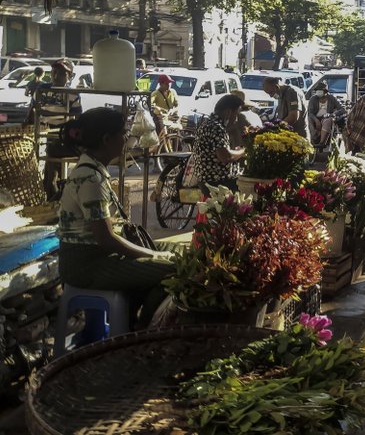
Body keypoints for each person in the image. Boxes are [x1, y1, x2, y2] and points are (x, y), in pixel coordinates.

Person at [57, 108, 175, 328]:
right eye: (123, 134)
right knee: (172, 270)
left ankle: (130, 322)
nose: (126, 139)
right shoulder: (90, 178)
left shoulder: (93, 169)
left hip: (99, 256)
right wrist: (151, 255)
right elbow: (106, 239)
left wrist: (153, 254)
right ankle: (140, 334)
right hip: (87, 265)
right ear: (106, 139)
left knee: (177, 253)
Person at [25, 59, 82, 200]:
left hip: (61, 133)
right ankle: (51, 197)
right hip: (43, 130)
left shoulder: (73, 94)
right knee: (44, 169)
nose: (55, 76)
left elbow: (78, 118)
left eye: (61, 74)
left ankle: (54, 199)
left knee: (53, 170)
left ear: (69, 76)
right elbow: (32, 108)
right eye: (54, 72)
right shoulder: (42, 90)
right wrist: (27, 122)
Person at [192, 94, 246, 192]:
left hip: (207, 181)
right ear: (228, 112)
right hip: (218, 183)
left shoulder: (208, 123)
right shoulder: (216, 128)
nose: (236, 120)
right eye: (236, 115)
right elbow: (226, 157)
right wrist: (242, 151)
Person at [307, 81, 344, 146]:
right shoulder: (313, 99)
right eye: (318, 90)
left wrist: (333, 114)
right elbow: (310, 113)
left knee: (328, 120)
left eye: (320, 90)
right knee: (309, 119)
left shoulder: (331, 98)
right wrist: (316, 120)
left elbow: (342, 109)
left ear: (325, 91)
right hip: (315, 118)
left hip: (326, 118)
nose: (318, 92)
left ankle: (322, 143)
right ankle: (314, 139)